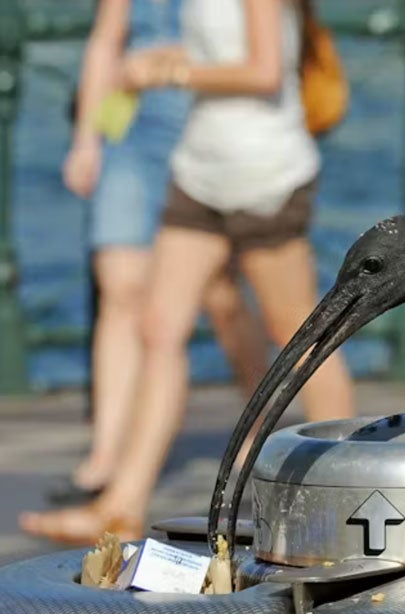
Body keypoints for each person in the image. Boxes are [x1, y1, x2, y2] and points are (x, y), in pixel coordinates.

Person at [22, 0, 356, 544]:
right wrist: (167, 59)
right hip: (199, 172)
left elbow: (264, 70)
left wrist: (172, 72)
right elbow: (215, 50)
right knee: (159, 327)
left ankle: (343, 491)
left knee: (298, 332)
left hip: (263, 175)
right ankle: (120, 507)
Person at [51, 0, 268, 507]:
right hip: (130, 121)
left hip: (204, 113)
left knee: (219, 293)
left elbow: (263, 47)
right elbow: (108, 38)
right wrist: (87, 140)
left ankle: (259, 430)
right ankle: (106, 454)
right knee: (121, 283)